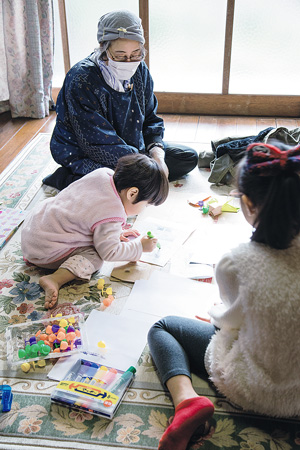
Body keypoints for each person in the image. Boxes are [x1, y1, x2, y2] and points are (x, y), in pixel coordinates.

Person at [148, 142, 300, 449]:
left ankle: (187, 401)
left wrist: (218, 315)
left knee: (163, 328)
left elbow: (231, 319)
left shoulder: (237, 263)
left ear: (247, 202)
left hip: (252, 388)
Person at [43, 9, 198, 191]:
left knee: (188, 158)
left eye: (136, 54)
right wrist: (144, 165)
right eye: (120, 55)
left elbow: (150, 118)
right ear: (104, 47)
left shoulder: (139, 70)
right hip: (89, 153)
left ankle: (136, 172)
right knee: (125, 181)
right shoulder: (82, 79)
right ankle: (67, 177)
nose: (129, 61)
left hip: (133, 149)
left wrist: (157, 156)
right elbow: (94, 142)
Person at [21, 154, 169, 309]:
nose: (144, 209)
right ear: (132, 193)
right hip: (44, 251)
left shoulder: (103, 174)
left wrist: (115, 232)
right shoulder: (112, 213)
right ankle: (55, 279)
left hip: (34, 228)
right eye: (146, 205)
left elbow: (88, 210)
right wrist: (139, 247)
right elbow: (110, 252)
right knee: (96, 255)